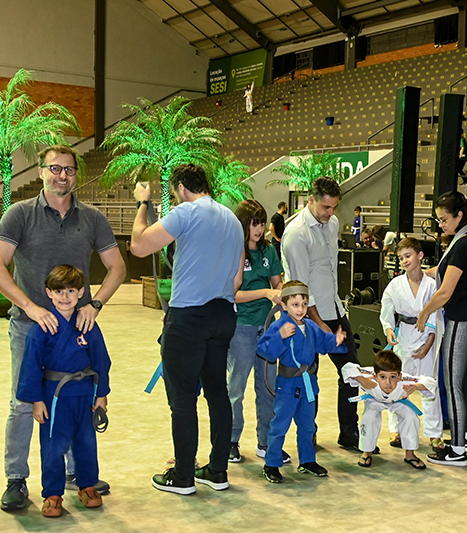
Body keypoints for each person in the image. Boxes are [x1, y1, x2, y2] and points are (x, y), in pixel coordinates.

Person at [0, 144, 126, 511]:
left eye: (69, 169)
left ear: (76, 174)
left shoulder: (92, 218)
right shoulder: (19, 214)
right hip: (30, 327)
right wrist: (31, 308)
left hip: (76, 328)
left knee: (76, 397)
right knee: (23, 403)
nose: (62, 175)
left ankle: (78, 474)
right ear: (41, 172)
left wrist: (95, 304)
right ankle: (16, 478)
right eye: (55, 168)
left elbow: (118, 267)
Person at [130, 164, 244, 495]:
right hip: (223, 314)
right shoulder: (232, 220)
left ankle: (183, 476)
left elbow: (139, 245)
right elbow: (237, 279)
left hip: (189, 317)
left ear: (181, 188)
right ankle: (217, 471)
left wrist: (143, 203)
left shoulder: (187, 212)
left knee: (181, 399)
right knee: (217, 393)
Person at [16, 265, 110, 517]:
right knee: (53, 446)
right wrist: (37, 401)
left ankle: (87, 485)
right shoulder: (41, 328)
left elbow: (101, 361)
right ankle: (53, 493)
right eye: (59, 291)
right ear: (49, 293)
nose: (65, 296)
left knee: (86, 443)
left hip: (85, 394)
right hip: (54, 397)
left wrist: (101, 395)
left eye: (70, 290)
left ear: (81, 292)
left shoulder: (88, 324)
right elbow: (31, 366)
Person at [281, 177, 362, 450]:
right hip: (306, 317)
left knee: (352, 372)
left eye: (334, 207)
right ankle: (308, 434)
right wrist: (319, 324)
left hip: (334, 309)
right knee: (308, 378)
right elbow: (300, 288)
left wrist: (335, 315)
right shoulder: (296, 234)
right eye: (326, 207)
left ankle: (349, 432)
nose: (331, 213)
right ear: (311, 200)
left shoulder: (333, 224)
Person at [417, 192, 467, 466]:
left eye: (444, 219)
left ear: (459, 216)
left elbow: (446, 291)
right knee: (464, 380)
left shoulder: (463, 244)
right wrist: (421, 272)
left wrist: (425, 311)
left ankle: (457, 450)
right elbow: (446, 271)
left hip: (464, 318)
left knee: (453, 383)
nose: (440, 225)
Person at [257, 281, 348, 483]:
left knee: (307, 425)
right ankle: (272, 463)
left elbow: (324, 343)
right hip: (288, 385)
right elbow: (264, 349)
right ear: (284, 305)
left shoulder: (311, 326)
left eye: (304, 304)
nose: (300, 309)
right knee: (279, 425)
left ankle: (307, 461)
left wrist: (336, 340)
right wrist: (280, 337)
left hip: (308, 384)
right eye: (295, 305)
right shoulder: (280, 326)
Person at [226, 200, 284, 464]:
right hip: (241, 328)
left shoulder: (269, 250)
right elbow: (231, 294)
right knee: (236, 388)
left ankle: (266, 442)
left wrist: (281, 292)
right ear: (243, 224)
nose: (259, 229)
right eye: (254, 223)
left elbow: (277, 283)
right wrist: (265, 292)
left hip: (269, 328)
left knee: (268, 387)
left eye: (262, 223)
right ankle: (231, 441)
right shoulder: (234, 251)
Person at [379, 238, 443, 450]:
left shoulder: (432, 285)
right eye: (401, 258)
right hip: (404, 337)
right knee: (396, 383)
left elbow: (436, 313)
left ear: (420, 255)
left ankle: (434, 433)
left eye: (408, 256)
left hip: (426, 338)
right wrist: (388, 328)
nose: (404, 261)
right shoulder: (396, 284)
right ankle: (396, 429)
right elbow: (386, 306)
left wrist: (429, 342)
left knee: (428, 385)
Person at [343, 350, 437, 470]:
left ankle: (410, 454)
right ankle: (367, 452)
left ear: (399, 376)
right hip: (374, 400)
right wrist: (362, 380)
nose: (388, 383)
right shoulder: (368, 375)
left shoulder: (405, 380)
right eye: (382, 377)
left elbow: (430, 382)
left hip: (399, 401)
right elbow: (347, 367)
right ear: (375, 376)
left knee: (411, 417)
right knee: (369, 418)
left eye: (393, 377)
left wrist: (416, 386)